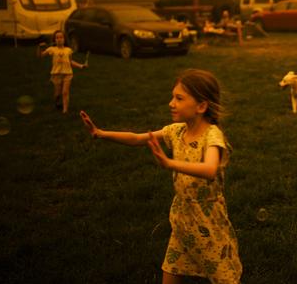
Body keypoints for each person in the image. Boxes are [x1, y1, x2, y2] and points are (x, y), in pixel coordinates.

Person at [80, 69, 242, 284]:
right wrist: (101, 133)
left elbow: (210, 168)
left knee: (224, 277)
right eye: (172, 96)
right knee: (171, 271)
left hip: (208, 222)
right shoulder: (176, 131)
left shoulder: (212, 135)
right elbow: (138, 138)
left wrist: (169, 163)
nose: (171, 103)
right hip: (182, 218)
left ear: (201, 106)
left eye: (179, 98)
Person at [37, 30, 87, 113]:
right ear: (54, 40)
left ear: (64, 39)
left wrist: (81, 66)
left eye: (61, 37)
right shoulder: (51, 49)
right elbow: (40, 56)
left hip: (67, 73)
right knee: (57, 94)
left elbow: (70, 61)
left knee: (65, 92)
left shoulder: (68, 50)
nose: (59, 39)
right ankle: (57, 101)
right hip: (56, 74)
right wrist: (39, 47)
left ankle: (65, 110)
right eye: (57, 38)